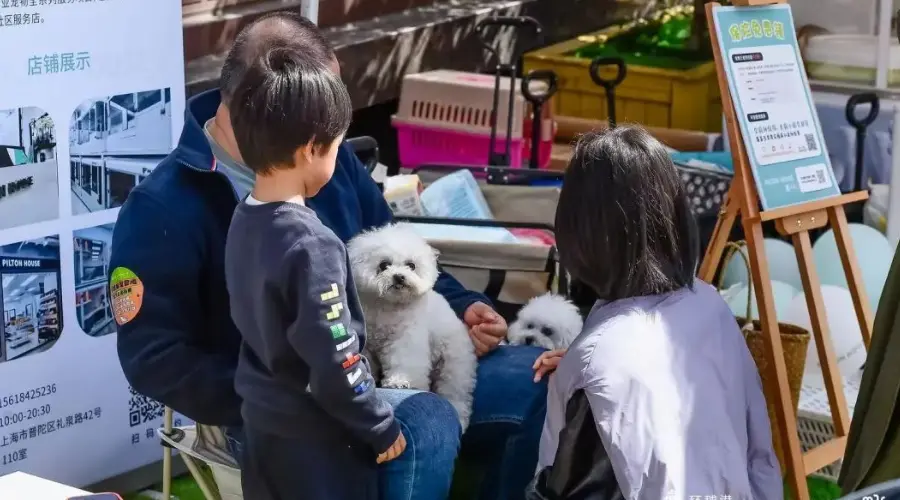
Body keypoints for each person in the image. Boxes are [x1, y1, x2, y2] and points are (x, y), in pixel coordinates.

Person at [108, 11, 547, 499]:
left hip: (383, 357)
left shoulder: (327, 162)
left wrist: (461, 304)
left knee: (540, 380)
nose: (338, 124)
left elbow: (393, 242)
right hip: (276, 413)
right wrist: (277, 391)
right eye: (328, 110)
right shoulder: (163, 206)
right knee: (424, 418)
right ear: (283, 110)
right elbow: (154, 357)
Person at [531, 127, 783, 499]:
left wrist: (582, 371)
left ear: (581, 228)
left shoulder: (598, 360)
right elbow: (755, 450)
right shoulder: (709, 303)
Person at [224, 47, 405, 498]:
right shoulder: (314, 244)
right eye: (338, 146)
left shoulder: (243, 218)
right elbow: (335, 356)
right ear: (311, 149)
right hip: (318, 441)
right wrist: (379, 425)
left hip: (261, 428)